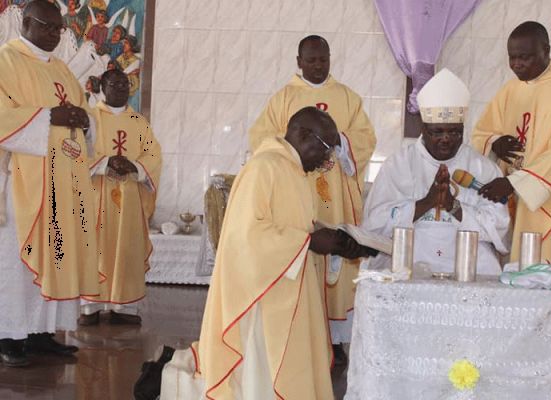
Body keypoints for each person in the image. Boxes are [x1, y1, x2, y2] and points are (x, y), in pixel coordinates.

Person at [157, 107, 370, 400]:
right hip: (262, 298)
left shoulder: (294, 171)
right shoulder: (265, 166)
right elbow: (246, 235)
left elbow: (294, 225)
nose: (327, 159)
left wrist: (334, 240)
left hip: (287, 290)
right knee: (261, 377)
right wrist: (308, 242)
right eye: (326, 148)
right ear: (302, 134)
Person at [470, 21, 551, 380]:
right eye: (512, 58)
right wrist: (494, 141)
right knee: (519, 283)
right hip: (519, 209)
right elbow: (482, 132)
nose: (518, 65)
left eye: (526, 57)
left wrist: (514, 183)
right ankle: (522, 362)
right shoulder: (511, 90)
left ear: (546, 49)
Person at [249, 35, 376, 364]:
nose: (318, 65)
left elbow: (366, 138)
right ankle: (300, 333)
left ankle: (334, 341)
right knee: (301, 251)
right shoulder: (284, 98)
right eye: (312, 60)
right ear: (299, 61)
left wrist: (340, 143)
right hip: (298, 191)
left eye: (324, 59)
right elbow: (261, 139)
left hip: (335, 195)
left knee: (336, 251)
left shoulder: (347, 98)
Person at [0, 0, 100, 366]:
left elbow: (83, 111)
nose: (55, 35)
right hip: (21, 181)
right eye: (48, 27)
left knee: (56, 254)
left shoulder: (60, 68)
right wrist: (49, 116)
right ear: (26, 22)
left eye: (59, 29)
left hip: (63, 181)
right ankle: (9, 336)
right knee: (17, 260)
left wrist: (85, 119)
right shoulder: (5, 62)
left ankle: (43, 333)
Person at [362, 69, 510, 275]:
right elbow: (374, 226)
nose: (446, 139)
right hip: (410, 262)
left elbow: (500, 227)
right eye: (437, 132)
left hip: (470, 266)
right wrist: (425, 203)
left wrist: (454, 207)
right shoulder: (399, 164)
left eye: (454, 132)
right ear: (423, 128)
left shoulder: (482, 168)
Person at [78, 69, 161, 326]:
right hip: (96, 193)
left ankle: (123, 308)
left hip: (129, 197)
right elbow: (77, 151)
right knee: (95, 248)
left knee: (127, 249)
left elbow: (154, 154)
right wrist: (105, 163)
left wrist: (134, 167)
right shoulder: (90, 119)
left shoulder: (138, 122)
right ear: (102, 87)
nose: (122, 88)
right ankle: (90, 307)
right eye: (114, 84)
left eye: (125, 84)